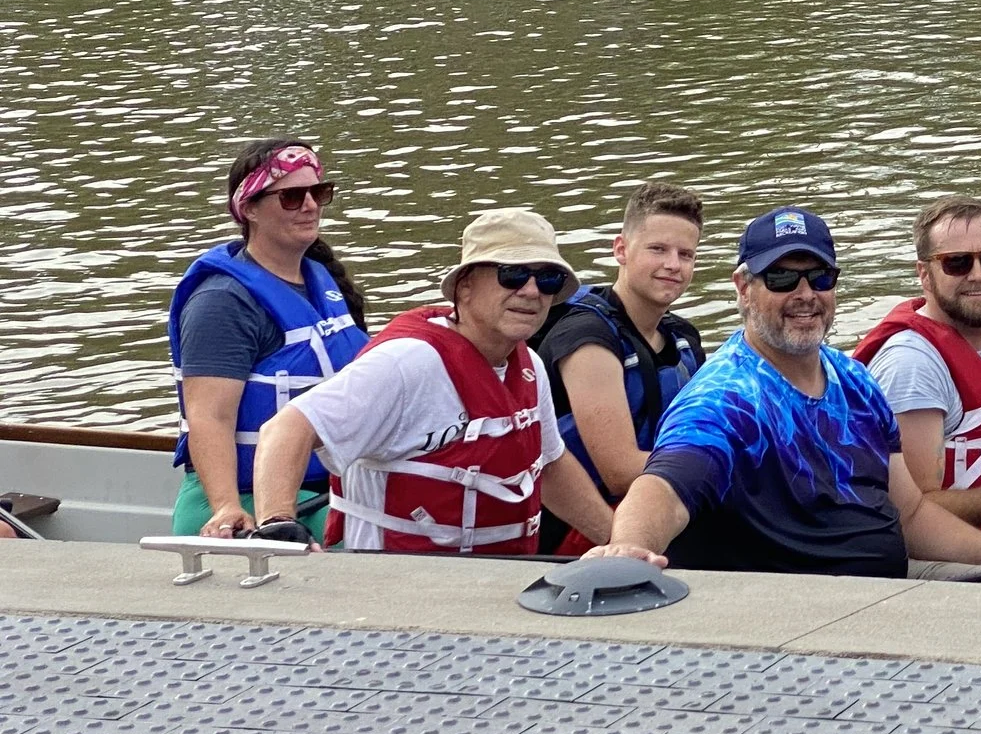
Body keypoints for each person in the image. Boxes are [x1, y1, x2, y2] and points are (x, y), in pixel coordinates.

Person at [598, 207, 981, 576]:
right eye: (781, 278)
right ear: (743, 287)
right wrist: (629, 550)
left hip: (889, 584)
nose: (805, 294)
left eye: (820, 277)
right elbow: (664, 488)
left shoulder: (854, 381)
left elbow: (911, 515)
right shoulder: (725, 399)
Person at [246, 209, 615, 554]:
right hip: (395, 588)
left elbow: (550, 466)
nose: (532, 291)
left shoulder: (529, 365)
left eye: (547, 279)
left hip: (496, 586)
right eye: (512, 274)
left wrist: (623, 544)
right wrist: (278, 526)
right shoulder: (407, 363)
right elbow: (287, 428)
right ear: (464, 287)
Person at [169, 139, 369, 541]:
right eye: (292, 196)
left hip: (327, 489)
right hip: (246, 502)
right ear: (250, 209)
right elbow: (210, 417)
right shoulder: (223, 301)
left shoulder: (323, 283)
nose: (311, 205)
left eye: (319, 192)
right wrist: (227, 506)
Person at [855, 196, 981, 542]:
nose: (978, 275)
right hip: (951, 558)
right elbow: (915, 511)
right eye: (957, 263)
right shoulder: (912, 366)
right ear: (924, 274)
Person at [530, 182, 709, 554]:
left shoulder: (682, 337)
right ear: (621, 249)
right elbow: (619, 469)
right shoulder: (587, 338)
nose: (673, 265)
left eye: (685, 254)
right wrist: (732, 471)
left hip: (664, 502)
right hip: (579, 532)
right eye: (657, 249)